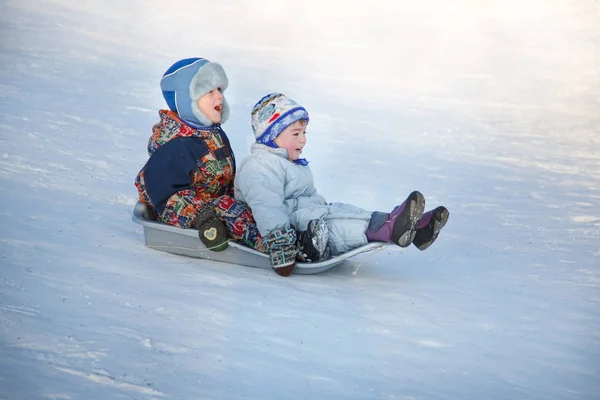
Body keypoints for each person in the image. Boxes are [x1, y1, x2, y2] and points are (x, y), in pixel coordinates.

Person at [234, 93, 449, 276]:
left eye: (304, 133)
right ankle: (390, 229)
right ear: (272, 136)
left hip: (309, 214)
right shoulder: (259, 166)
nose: (303, 140)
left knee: (344, 210)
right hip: (296, 231)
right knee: (337, 226)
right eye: (296, 134)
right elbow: (266, 207)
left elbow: (309, 196)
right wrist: (280, 245)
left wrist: (322, 208)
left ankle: (413, 226)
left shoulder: (290, 163)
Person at [134, 58, 264, 252]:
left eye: (220, 90)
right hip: (194, 216)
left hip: (218, 203)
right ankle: (277, 246)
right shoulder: (177, 145)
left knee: (263, 196)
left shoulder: (209, 132)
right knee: (232, 212)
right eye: (209, 92)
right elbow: (168, 195)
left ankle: (297, 229)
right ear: (187, 100)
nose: (219, 97)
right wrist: (203, 217)